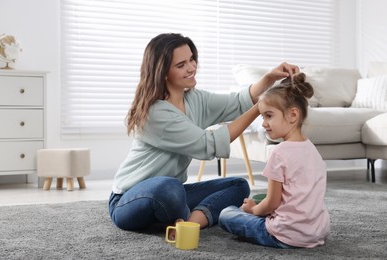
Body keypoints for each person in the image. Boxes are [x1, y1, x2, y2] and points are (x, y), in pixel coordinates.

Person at [108, 32, 299, 232]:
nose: (191, 68)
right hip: (129, 201)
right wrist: (260, 107)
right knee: (169, 188)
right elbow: (208, 145)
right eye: (181, 65)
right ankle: (183, 214)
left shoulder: (194, 99)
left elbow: (237, 102)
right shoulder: (156, 113)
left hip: (173, 193)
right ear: (163, 72)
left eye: (191, 59)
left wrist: (270, 77)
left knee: (238, 186)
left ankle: (189, 224)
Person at [218, 72, 330, 248]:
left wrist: (253, 210)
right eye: (262, 116)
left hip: (284, 234)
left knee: (226, 214)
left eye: (269, 116)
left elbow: (271, 204)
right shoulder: (313, 151)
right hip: (316, 233)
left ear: (293, 115)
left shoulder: (279, 153)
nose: (263, 123)